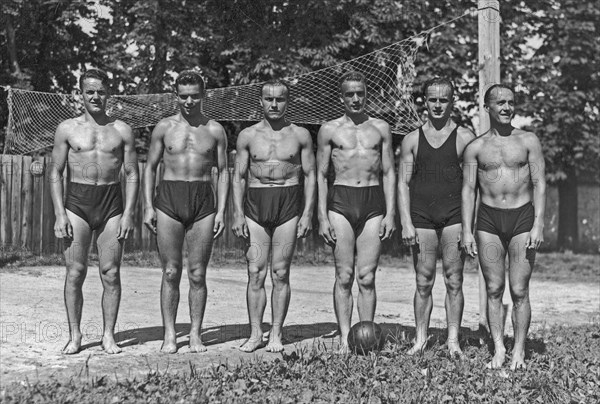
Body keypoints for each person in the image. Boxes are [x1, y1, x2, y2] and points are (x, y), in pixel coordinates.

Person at [50, 68, 139, 355]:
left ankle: (108, 335)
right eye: (90, 91)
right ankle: (75, 335)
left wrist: (128, 213)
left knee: (111, 272)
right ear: (81, 94)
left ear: (108, 94)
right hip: (77, 202)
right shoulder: (67, 129)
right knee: (75, 271)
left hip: (111, 203)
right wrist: (60, 214)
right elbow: (56, 172)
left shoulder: (122, 130)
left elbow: (132, 173)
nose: (96, 96)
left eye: (101, 91)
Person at [143, 70, 229, 354]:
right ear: (175, 96)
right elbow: (150, 167)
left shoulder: (215, 129)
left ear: (203, 95)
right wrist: (147, 206)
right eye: (183, 96)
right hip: (169, 198)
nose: (189, 101)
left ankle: (195, 334)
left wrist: (221, 211)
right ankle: (170, 334)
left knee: (197, 273)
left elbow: (224, 171)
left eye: (194, 96)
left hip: (203, 201)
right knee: (170, 271)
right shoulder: (164, 127)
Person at [462, 84, 546, 370]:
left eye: (511, 102)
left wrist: (539, 224)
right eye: (500, 103)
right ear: (487, 107)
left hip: (522, 218)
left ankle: (519, 351)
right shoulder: (475, 147)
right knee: (494, 288)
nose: (507, 107)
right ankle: (499, 348)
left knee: (519, 289)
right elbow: (468, 189)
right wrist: (465, 230)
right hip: (488, 221)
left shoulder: (528, 141)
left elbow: (540, 183)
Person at [232, 79, 315, 353]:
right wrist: (237, 213)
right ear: (260, 101)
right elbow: (238, 177)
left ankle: (276, 333)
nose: (274, 104)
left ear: (287, 101)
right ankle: (256, 333)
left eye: (280, 99)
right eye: (269, 99)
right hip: (255, 205)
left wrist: (306, 214)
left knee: (280, 272)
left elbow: (311, 175)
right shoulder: (247, 135)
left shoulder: (300, 135)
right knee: (255, 271)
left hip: (288, 204)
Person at [316, 71, 396, 354]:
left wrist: (391, 213)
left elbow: (388, 172)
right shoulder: (329, 130)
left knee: (367, 276)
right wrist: (322, 216)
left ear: (366, 94)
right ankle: (343, 338)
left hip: (373, 202)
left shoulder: (381, 128)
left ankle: (367, 337)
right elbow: (321, 174)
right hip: (341, 200)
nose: (356, 98)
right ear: (341, 97)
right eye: (350, 94)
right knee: (344, 275)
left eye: (360, 93)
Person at [397, 78, 476, 355]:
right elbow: (402, 184)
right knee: (423, 279)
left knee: (454, 279)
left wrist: (469, 228)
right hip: (422, 216)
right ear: (425, 102)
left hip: (454, 215)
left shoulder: (465, 138)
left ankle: (452, 340)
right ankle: (420, 338)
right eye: (433, 100)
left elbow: (471, 186)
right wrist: (406, 221)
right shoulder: (411, 140)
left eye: (444, 99)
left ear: (452, 101)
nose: (438, 105)